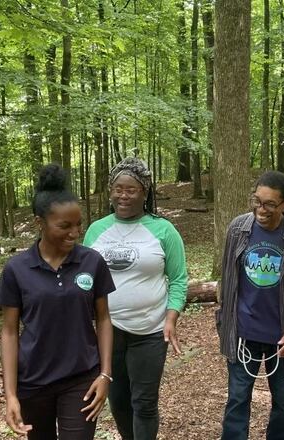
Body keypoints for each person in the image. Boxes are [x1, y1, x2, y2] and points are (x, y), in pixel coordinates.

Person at [0, 164, 116, 440]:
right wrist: (11, 395)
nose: (75, 232)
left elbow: (104, 319)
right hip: (33, 383)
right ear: (39, 223)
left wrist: (105, 374)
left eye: (78, 225)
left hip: (82, 378)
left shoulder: (92, 262)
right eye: (65, 226)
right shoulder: (17, 269)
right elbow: (9, 332)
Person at [216, 170, 284, 440]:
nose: (260, 209)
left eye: (269, 204)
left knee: (283, 404)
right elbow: (228, 278)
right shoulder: (238, 229)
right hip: (243, 335)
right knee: (237, 401)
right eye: (257, 201)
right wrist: (224, 320)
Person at [83, 157, 188, 440]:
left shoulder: (164, 230)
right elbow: (85, 279)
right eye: (118, 189)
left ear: (145, 192)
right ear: (110, 191)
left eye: (131, 190)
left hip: (151, 330)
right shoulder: (96, 230)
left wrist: (171, 318)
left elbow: (178, 279)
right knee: (118, 400)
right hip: (108, 330)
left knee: (144, 402)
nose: (123, 195)